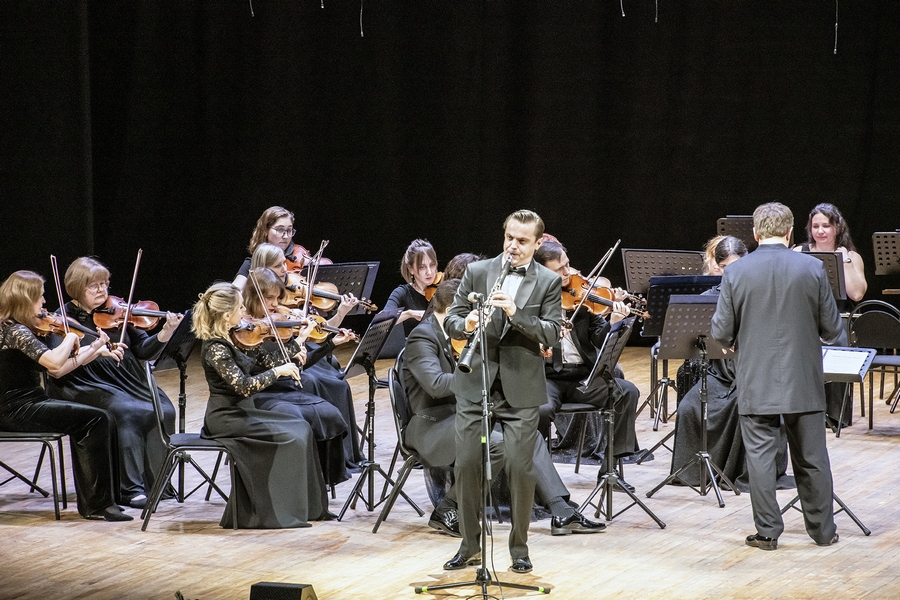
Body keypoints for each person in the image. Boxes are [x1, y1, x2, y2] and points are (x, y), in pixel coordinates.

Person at [403, 279, 603, 539]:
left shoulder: (461, 335)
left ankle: (562, 511)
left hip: (464, 415)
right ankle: (449, 507)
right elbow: (436, 385)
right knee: (498, 443)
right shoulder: (422, 337)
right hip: (432, 424)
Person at [712, 203, 843, 551]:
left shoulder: (736, 272)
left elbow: (721, 332)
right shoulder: (812, 268)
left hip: (756, 379)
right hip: (803, 378)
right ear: (789, 232)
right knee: (813, 459)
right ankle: (823, 532)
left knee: (759, 460)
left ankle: (768, 533)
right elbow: (833, 329)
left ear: (755, 234)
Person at [443, 209, 562, 574]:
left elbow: (552, 332)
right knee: (466, 465)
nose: (513, 245)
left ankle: (519, 549)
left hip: (520, 386)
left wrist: (516, 313)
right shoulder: (478, 271)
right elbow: (451, 319)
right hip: (475, 381)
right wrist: (466, 322)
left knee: (520, 468)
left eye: (522, 241)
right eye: (509, 237)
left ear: (537, 243)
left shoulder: (547, 281)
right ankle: (469, 545)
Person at [193, 282, 330, 528]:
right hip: (226, 417)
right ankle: (279, 513)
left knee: (302, 427)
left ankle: (311, 508)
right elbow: (244, 386)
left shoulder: (238, 338)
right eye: (240, 307)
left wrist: (300, 338)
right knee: (292, 437)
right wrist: (279, 372)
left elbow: (271, 360)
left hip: (244, 412)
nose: (244, 311)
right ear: (227, 315)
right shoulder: (216, 348)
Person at [46, 257, 179, 509]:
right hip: (84, 383)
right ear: (77, 287)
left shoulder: (117, 311)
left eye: (104, 284)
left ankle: (158, 482)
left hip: (126, 380)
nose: (102, 290)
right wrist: (95, 350)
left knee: (164, 409)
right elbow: (58, 363)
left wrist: (166, 332)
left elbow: (144, 350)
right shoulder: (62, 318)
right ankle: (129, 489)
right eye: (94, 285)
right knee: (126, 411)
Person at [0, 270, 131, 521]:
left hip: (27, 403)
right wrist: (70, 337)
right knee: (96, 419)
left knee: (100, 417)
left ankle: (104, 499)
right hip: (14, 409)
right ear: (25, 299)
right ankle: (97, 505)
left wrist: (94, 348)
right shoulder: (15, 331)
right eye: (40, 296)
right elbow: (53, 362)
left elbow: (58, 370)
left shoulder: (21, 328)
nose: (44, 302)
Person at [671, 236, 791, 492]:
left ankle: (739, 471)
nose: (730, 273)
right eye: (724, 267)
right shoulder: (708, 297)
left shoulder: (763, 293)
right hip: (720, 373)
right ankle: (696, 471)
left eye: (734, 266)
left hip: (756, 372)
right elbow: (695, 341)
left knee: (742, 405)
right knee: (689, 407)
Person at [533, 240, 642, 482]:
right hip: (547, 378)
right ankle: (540, 476)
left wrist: (614, 322)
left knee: (627, 392)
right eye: (559, 269)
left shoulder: (582, 299)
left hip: (583, 377)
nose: (567, 273)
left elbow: (600, 338)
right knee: (539, 410)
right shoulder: (531, 303)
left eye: (567, 265)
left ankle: (610, 469)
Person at [241, 267, 351, 485]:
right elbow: (255, 368)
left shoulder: (279, 324)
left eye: (277, 298)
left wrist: (330, 344)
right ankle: (297, 483)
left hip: (287, 391)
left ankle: (320, 481)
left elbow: (299, 365)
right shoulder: (244, 331)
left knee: (329, 413)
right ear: (254, 296)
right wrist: (295, 345)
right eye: (269, 298)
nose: (275, 304)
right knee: (297, 419)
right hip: (261, 395)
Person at [794, 203, 867, 303]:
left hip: (840, 312)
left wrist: (845, 261)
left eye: (826, 226)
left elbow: (857, 295)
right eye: (815, 226)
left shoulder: (852, 257)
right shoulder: (798, 252)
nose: (820, 231)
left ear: (837, 228)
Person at [383, 239, 439, 336]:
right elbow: (382, 321)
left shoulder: (442, 289)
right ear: (411, 269)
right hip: (414, 344)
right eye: (422, 267)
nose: (429, 272)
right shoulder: (402, 293)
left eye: (432, 265)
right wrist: (409, 314)